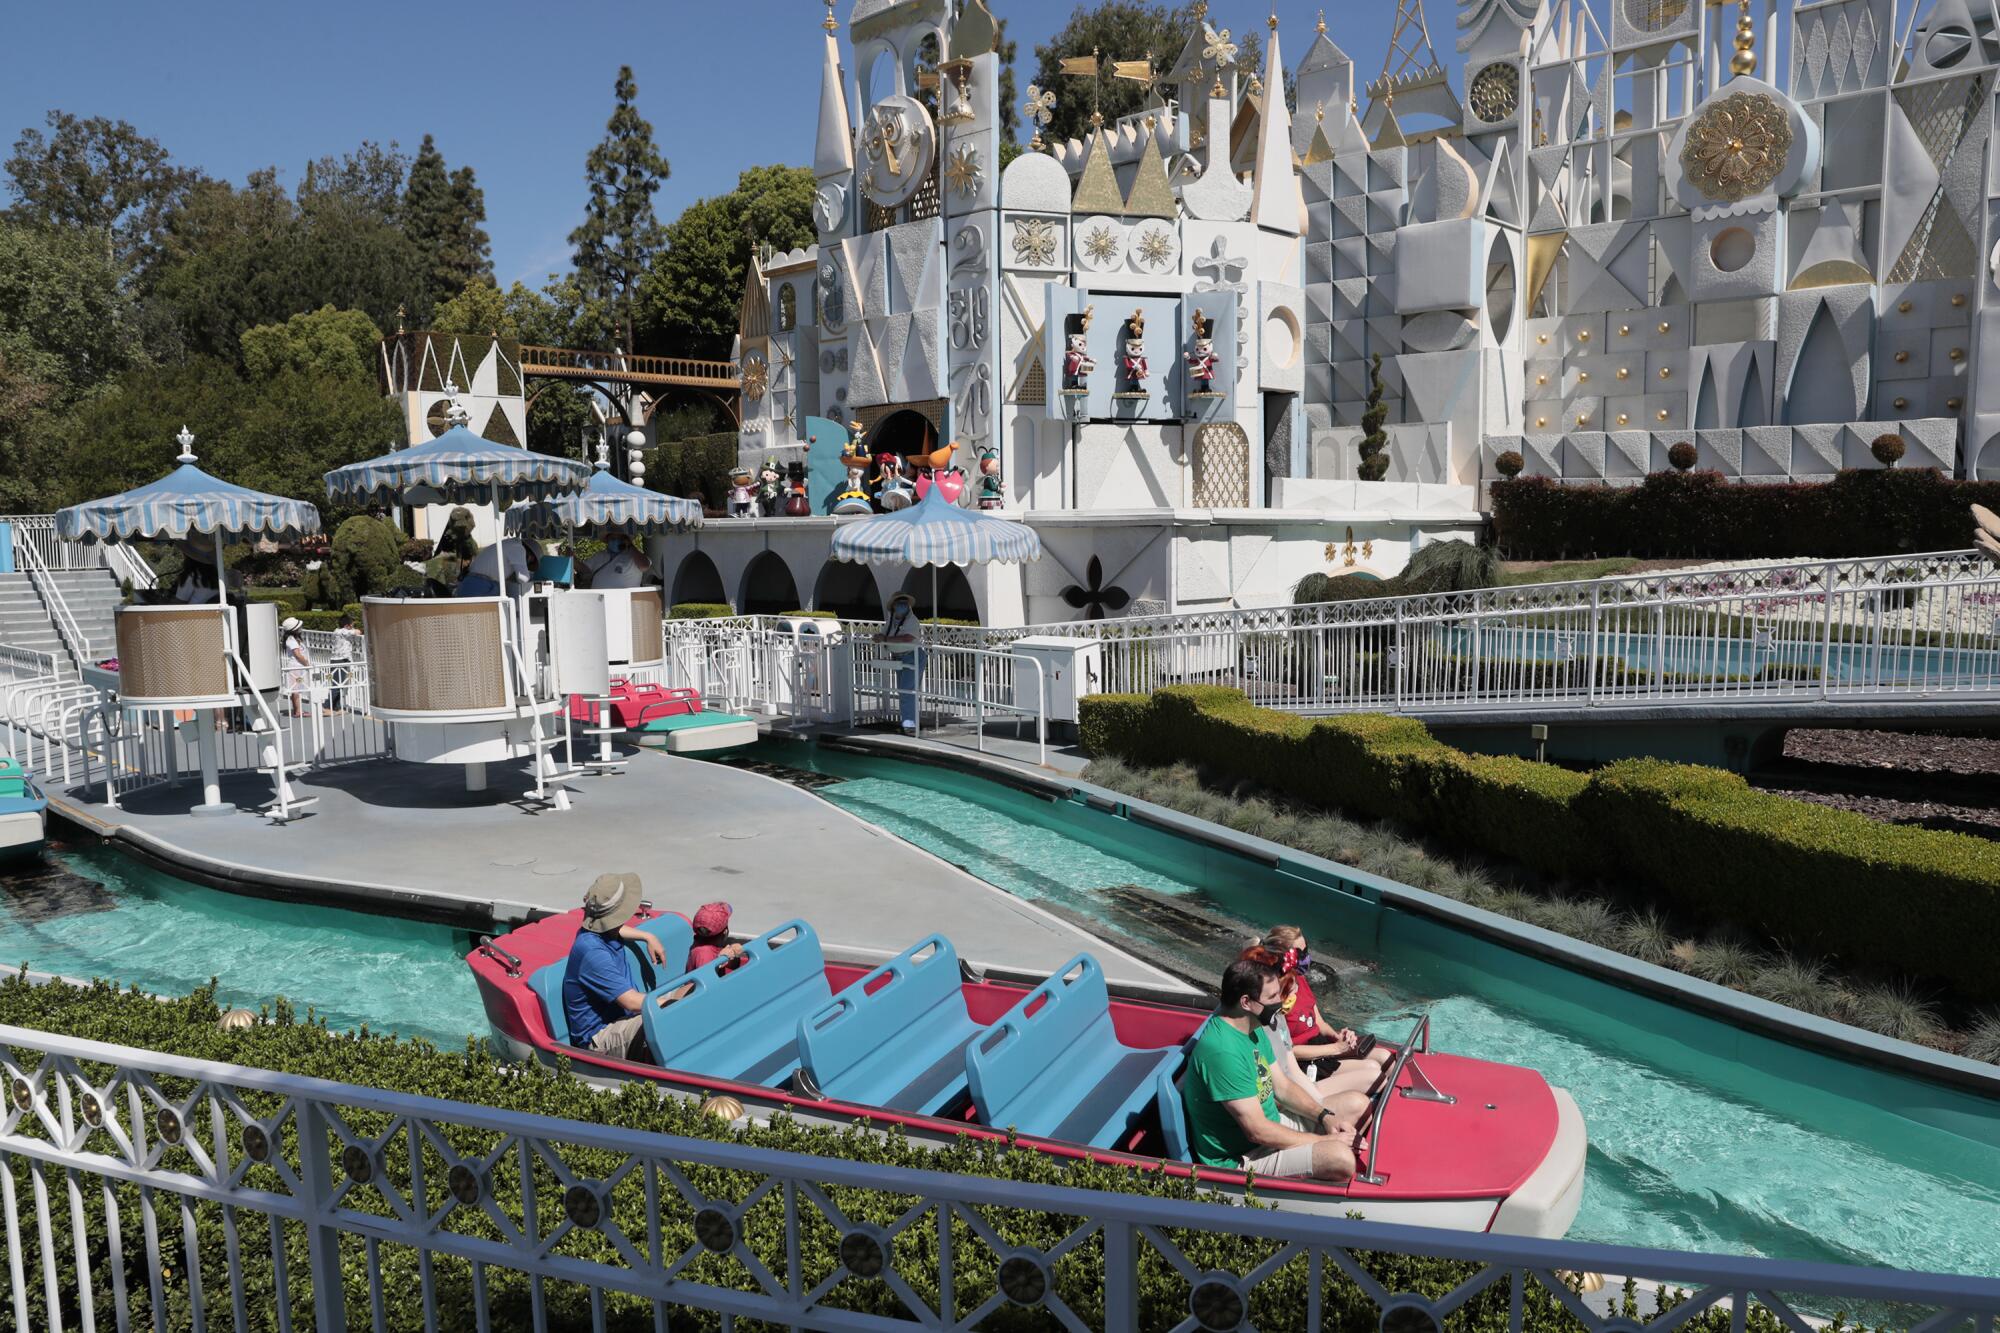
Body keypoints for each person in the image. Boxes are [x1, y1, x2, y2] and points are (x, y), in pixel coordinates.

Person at [1181, 957, 1359, 1181]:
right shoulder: (1223, 1052)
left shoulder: (1253, 1028)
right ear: (1246, 1002)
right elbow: (1257, 1130)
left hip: (1271, 1127)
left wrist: (1325, 1117)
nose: (1281, 1001)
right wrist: (1324, 1141)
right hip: (1243, 1157)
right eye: (1273, 997)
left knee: (1356, 1104)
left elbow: (1283, 1087)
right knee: (1340, 1158)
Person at [1238, 944, 1374, 1124]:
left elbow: (1290, 1072)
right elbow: (1273, 1096)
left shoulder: (1277, 1019)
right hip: (1282, 1106)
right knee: (1359, 1102)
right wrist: (1321, 1112)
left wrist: (1319, 1107)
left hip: (1296, 1091)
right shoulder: (1253, 1031)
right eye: (1281, 993)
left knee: (1371, 1074)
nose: (1296, 991)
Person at [1262, 926, 1393, 1099]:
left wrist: (1338, 1036)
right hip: (1306, 1060)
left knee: (1385, 1058)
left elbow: (1319, 1023)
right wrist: (1335, 1048)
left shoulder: (1298, 980)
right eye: (1300, 953)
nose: (1306, 957)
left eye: (1306, 950)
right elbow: (1286, 1051)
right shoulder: (1274, 995)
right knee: (1373, 1071)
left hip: (1321, 1046)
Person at [561, 872, 674, 1061]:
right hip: (599, 1036)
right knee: (669, 1016)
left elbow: (616, 927)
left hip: (623, 1019)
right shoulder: (592, 953)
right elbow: (630, 1001)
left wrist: (647, 936)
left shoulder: (605, 930)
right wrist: (669, 1004)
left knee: (690, 990)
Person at [880, 591, 923, 733]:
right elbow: (884, 634)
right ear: (893, 606)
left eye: (905, 604)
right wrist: (879, 637)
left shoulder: (912, 621)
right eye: (899, 604)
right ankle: (907, 721)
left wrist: (885, 640)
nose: (902, 606)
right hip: (899, 657)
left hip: (912, 657)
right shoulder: (891, 620)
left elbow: (907, 638)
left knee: (907, 691)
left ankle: (910, 725)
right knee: (902, 690)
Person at [685, 901, 746, 972]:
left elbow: (735, 965)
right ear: (724, 932)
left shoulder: (705, 944)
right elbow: (706, 980)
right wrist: (719, 961)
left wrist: (731, 954)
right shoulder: (703, 954)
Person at [279, 617, 311, 718]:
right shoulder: (291, 640)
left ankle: (297, 710)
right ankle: (298, 711)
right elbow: (297, 654)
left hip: (297, 666)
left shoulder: (293, 639)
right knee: (295, 689)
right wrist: (306, 663)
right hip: (296, 666)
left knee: (296, 689)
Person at [328, 614, 358, 711]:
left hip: (335, 659)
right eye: (352, 625)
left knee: (338, 684)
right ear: (347, 626)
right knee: (337, 685)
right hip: (341, 660)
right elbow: (357, 632)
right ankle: (326, 706)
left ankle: (336, 707)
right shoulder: (343, 631)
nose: (353, 627)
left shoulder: (336, 631)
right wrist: (353, 630)